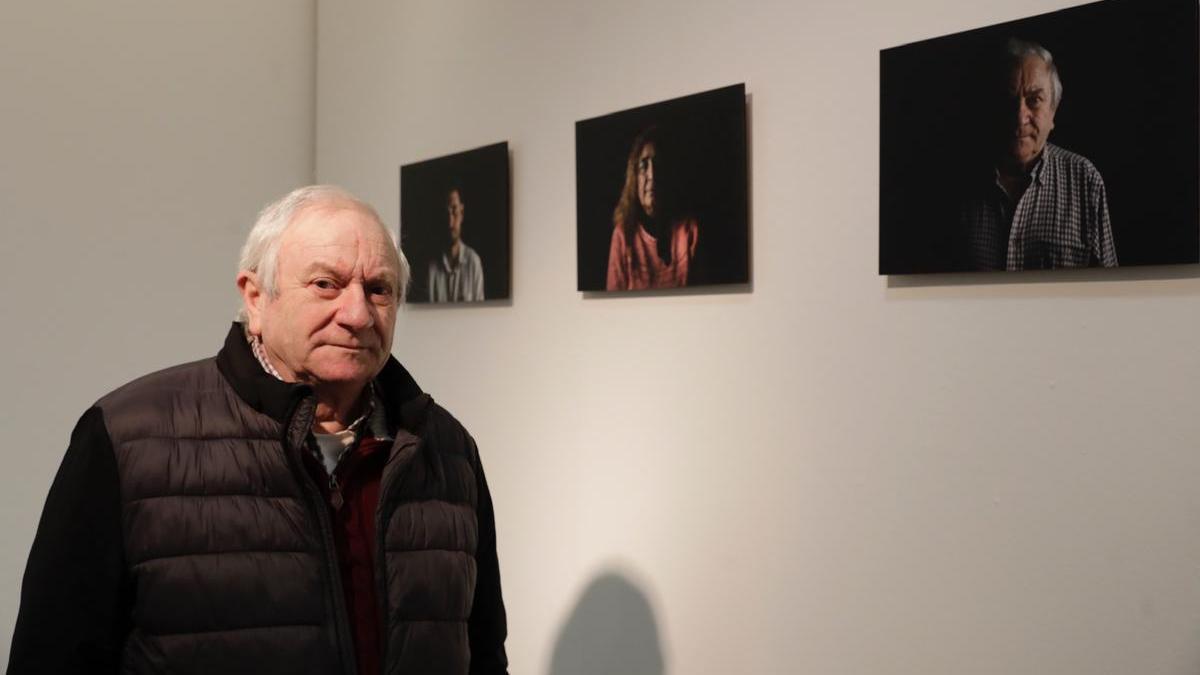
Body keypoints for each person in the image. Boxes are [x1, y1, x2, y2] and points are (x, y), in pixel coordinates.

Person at [8, 186, 508, 675]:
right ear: (255, 298)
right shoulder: (125, 438)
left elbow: (484, 654)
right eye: (325, 285)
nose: (356, 315)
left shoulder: (445, 447)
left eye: (378, 289)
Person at [961, 38, 1118, 271]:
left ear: (1053, 111)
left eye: (1034, 100)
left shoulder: (1085, 180)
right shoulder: (961, 181)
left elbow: (1111, 290)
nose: (1019, 116)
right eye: (1009, 99)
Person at [605, 127, 699, 290]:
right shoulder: (623, 236)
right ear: (634, 178)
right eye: (643, 166)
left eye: (658, 164)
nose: (652, 175)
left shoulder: (689, 230)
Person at [428, 187, 485, 302]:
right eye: (446, 212)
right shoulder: (431, 265)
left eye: (454, 210)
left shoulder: (473, 262)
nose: (450, 221)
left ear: (462, 212)